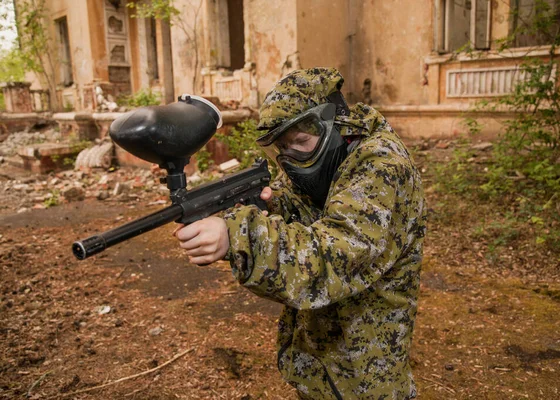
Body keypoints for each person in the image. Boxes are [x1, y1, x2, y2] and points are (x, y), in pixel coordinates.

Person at [175, 67, 426, 399]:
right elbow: (303, 205)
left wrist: (237, 236)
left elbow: (331, 256)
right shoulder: (327, 158)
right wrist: (265, 207)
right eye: (282, 148)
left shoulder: (381, 168)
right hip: (323, 364)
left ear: (336, 125)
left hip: (367, 376)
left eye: (300, 142)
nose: (291, 158)